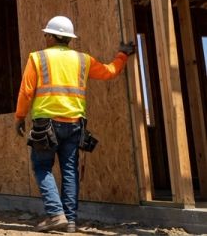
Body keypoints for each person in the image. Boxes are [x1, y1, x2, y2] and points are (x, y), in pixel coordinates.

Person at [14, 16, 135, 233]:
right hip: (74, 125)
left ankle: (55, 214)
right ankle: (69, 221)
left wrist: (19, 117)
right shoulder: (83, 60)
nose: (44, 37)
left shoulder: (38, 58)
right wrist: (122, 55)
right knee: (69, 170)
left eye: (46, 34)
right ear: (68, 38)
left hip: (46, 124)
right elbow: (109, 72)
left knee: (42, 167)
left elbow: (26, 91)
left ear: (52, 37)